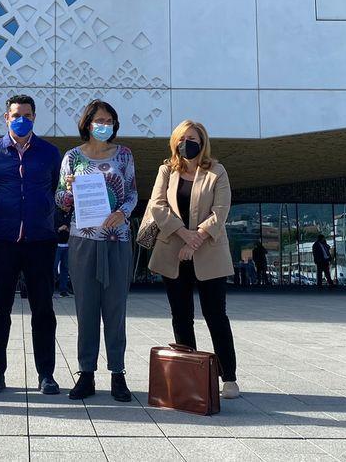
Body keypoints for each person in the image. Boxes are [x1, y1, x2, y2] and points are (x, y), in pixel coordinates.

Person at [145, 121, 241, 400]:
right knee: (181, 317)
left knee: (216, 316)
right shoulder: (167, 170)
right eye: (182, 138)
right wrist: (184, 235)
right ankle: (190, 376)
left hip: (208, 252)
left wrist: (196, 239)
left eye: (192, 138)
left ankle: (230, 377)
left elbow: (220, 211)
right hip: (173, 252)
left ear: (203, 141)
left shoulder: (216, 171)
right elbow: (157, 207)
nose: (186, 142)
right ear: (175, 142)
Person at [0, 94, 62, 396]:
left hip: (41, 241)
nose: (20, 119)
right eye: (15, 114)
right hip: (2, 241)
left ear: (34, 117)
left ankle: (46, 374)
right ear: (6, 117)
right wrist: (0, 212)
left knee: (43, 309)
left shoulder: (50, 153)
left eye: (26, 114)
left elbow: (57, 189)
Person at [56, 100, 138, 402]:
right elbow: (61, 200)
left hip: (116, 240)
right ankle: (86, 373)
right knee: (86, 309)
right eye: (99, 120)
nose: (104, 125)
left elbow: (131, 192)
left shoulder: (125, 155)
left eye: (109, 120)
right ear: (87, 123)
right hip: (83, 240)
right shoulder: (73, 157)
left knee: (115, 310)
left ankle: (118, 374)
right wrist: (69, 188)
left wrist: (124, 213)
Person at [55, 208, 71, 297]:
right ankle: (51, 288)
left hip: (67, 244)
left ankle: (63, 289)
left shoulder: (71, 214)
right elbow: (52, 227)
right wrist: (59, 228)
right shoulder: (56, 213)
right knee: (53, 267)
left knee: (65, 268)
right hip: (57, 245)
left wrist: (68, 229)